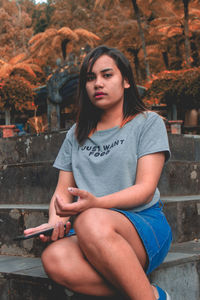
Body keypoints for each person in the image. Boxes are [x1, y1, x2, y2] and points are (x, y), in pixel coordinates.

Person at [24, 45, 172, 300]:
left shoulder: (148, 123)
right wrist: (54, 222)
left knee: (91, 219)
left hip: (140, 224)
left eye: (107, 75)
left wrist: (95, 205)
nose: (97, 84)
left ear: (126, 80)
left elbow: (145, 189)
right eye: (90, 78)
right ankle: (151, 293)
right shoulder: (76, 133)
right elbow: (62, 192)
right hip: (89, 229)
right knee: (54, 258)